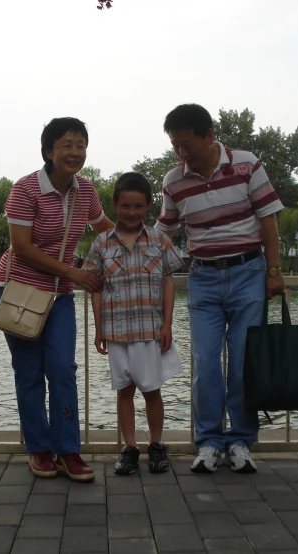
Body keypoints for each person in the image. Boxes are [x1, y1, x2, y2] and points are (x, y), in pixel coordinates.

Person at [155, 104, 286, 474]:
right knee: (206, 364)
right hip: (204, 278)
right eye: (175, 146)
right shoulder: (173, 181)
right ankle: (210, 441)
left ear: (209, 135)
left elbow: (268, 221)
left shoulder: (246, 164)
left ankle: (241, 441)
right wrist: (135, 253)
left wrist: (274, 272)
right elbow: (164, 229)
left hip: (249, 273)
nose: (182, 153)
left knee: (244, 362)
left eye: (186, 144)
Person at [1, 117, 114, 482]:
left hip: (59, 295)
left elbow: (104, 228)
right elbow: (22, 247)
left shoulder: (86, 191)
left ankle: (68, 450)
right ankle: (38, 449)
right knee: (30, 373)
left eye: (81, 144)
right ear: (49, 151)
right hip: (20, 289)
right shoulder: (26, 189)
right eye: (66, 144)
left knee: (63, 370)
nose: (75, 152)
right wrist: (75, 273)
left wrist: (144, 238)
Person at [82, 172, 184, 475]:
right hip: (116, 332)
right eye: (125, 206)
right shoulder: (101, 244)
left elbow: (168, 282)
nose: (131, 212)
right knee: (124, 390)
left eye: (138, 206)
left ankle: (156, 444)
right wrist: (99, 329)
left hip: (150, 330)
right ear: (115, 204)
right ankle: (129, 447)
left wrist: (167, 324)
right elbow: (96, 288)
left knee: (152, 390)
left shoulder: (159, 240)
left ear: (148, 206)